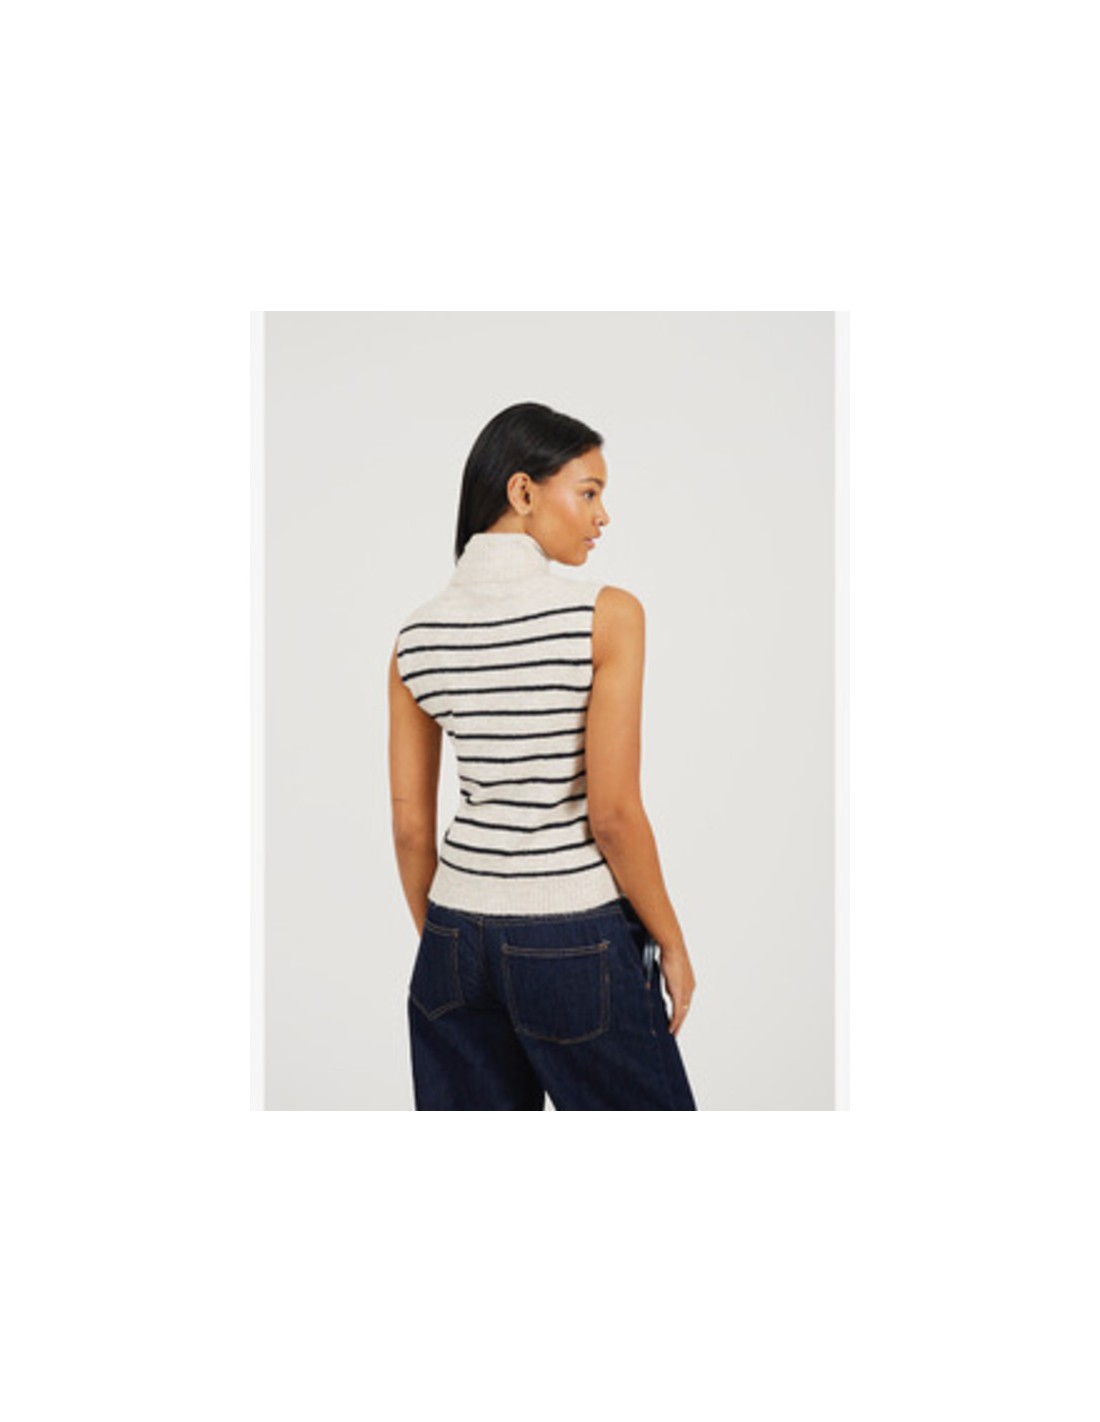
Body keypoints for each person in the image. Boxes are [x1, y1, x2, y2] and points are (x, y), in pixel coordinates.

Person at [388, 401, 698, 1110]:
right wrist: (673, 942)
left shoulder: (416, 639)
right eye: (588, 492)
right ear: (523, 492)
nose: (602, 516)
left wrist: (451, 945)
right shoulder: (606, 616)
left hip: (451, 937)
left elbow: (409, 828)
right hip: (571, 935)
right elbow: (613, 814)